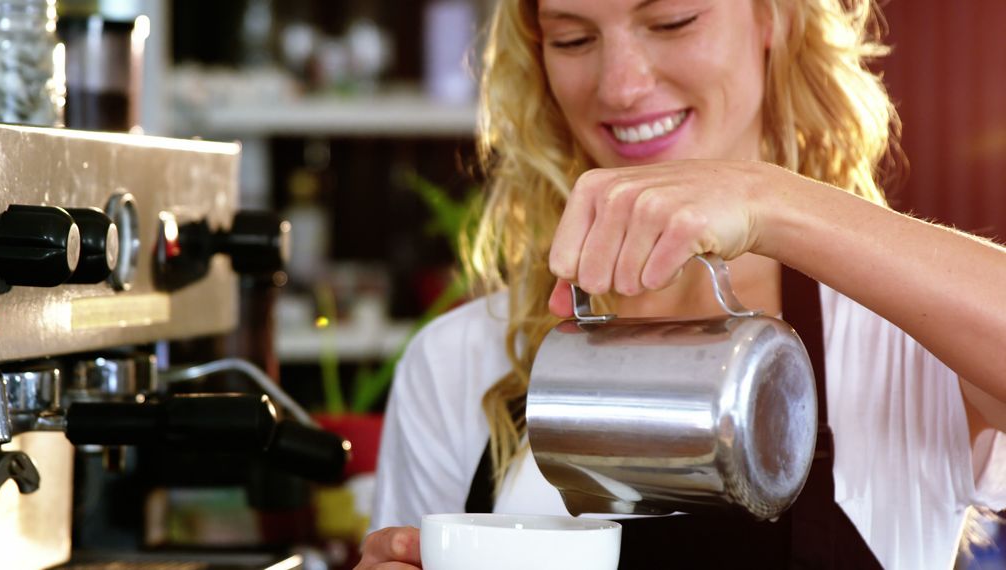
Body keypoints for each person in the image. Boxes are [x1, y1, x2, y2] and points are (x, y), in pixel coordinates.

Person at [358, 0, 1006, 568]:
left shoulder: (898, 338)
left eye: (672, 21)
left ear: (770, 16)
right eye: (572, 38)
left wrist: (768, 201)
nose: (620, 86)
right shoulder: (452, 366)